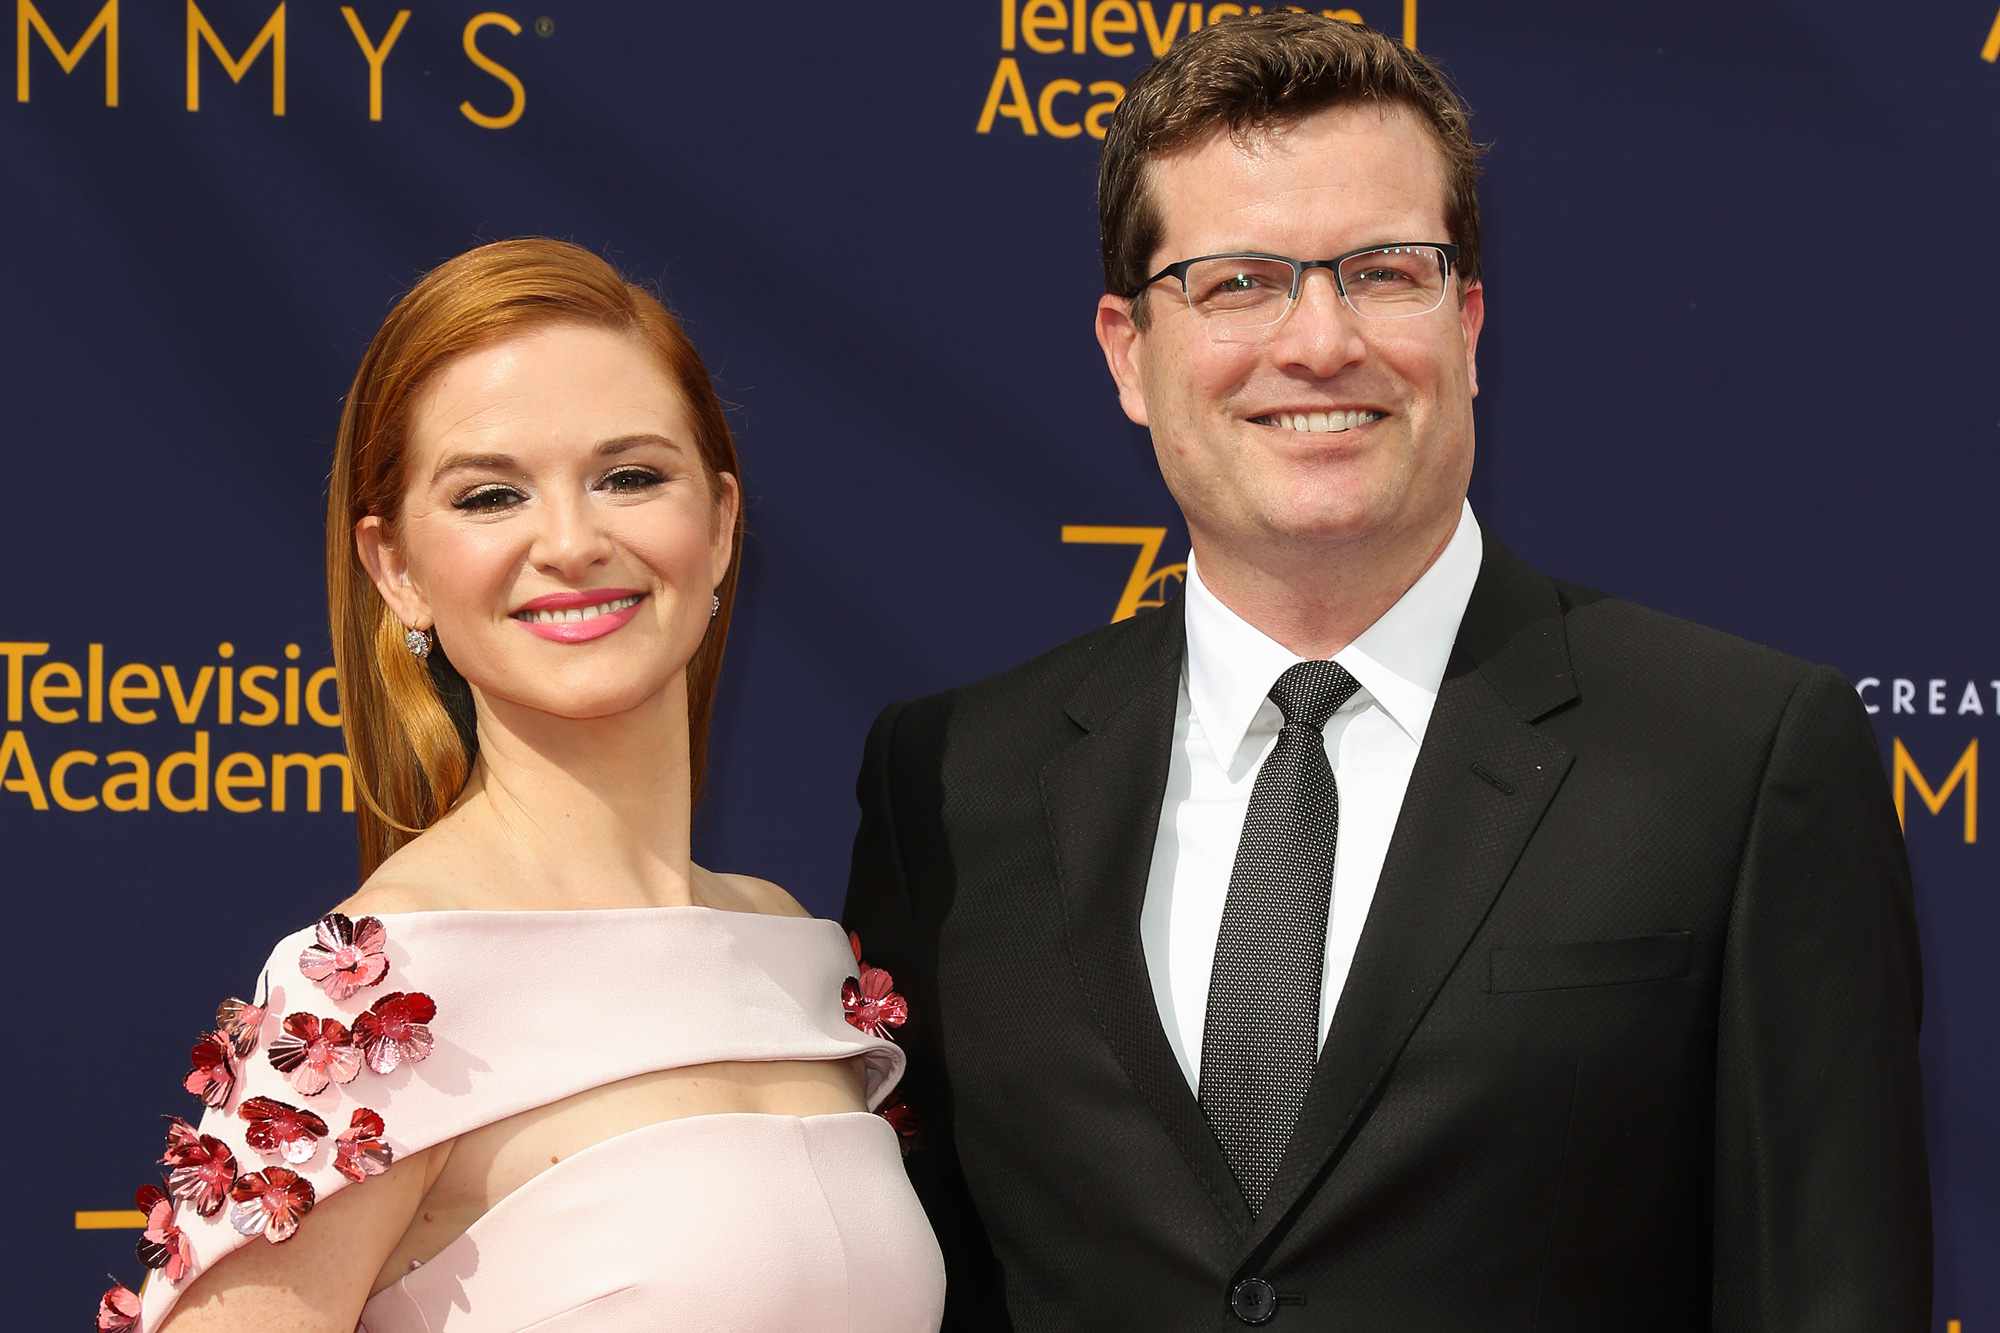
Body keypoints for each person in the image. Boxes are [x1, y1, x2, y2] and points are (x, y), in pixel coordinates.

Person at [842, 13, 1930, 1330]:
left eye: (1383, 272)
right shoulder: (952, 780)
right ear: (1131, 353)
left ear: (1467, 321)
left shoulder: (1740, 757)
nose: (1317, 343)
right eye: (1239, 281)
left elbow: (1828, 1290)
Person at [102, 238, 944, 1332]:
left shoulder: (795, 950)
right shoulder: (381, 993)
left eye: (629, 477)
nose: (571, 541)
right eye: (492, 495)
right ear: (395, 567)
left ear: (721, 522)